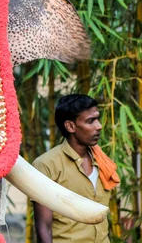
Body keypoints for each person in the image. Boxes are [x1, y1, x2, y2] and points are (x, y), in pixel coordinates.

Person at [32, 94, 119, 243]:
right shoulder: (47, 165)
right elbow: (43, 227)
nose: (99, 126)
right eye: (90, 121)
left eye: (97, 118)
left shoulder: (102, 161)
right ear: (70, 126)